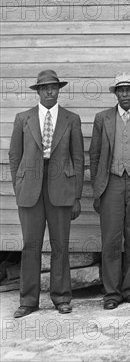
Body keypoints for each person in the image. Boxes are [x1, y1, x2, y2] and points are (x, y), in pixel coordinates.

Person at [9, 70, 84, 318]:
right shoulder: (23, 119)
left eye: (53, 87)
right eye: (45, 88)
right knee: (31, 245)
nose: (50, 91)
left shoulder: (71, 119)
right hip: (30, 189)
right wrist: (19, 186)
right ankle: (28, 301)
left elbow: (78, 157)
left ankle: (61, 297)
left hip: (61, 188)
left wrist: (76, 196)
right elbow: (14, 156)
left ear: (59, 90)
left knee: (60, 245)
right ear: (38, 91)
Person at [89, 72, 130, 309]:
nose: (125, 94)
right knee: (111, 239)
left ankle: (129, 288)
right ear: (116, 93)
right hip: (111, 182)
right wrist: (98, 188)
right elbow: (95, 155)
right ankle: (111, 293)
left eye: (129, 90)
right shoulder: (102, 118)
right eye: (121, 90)